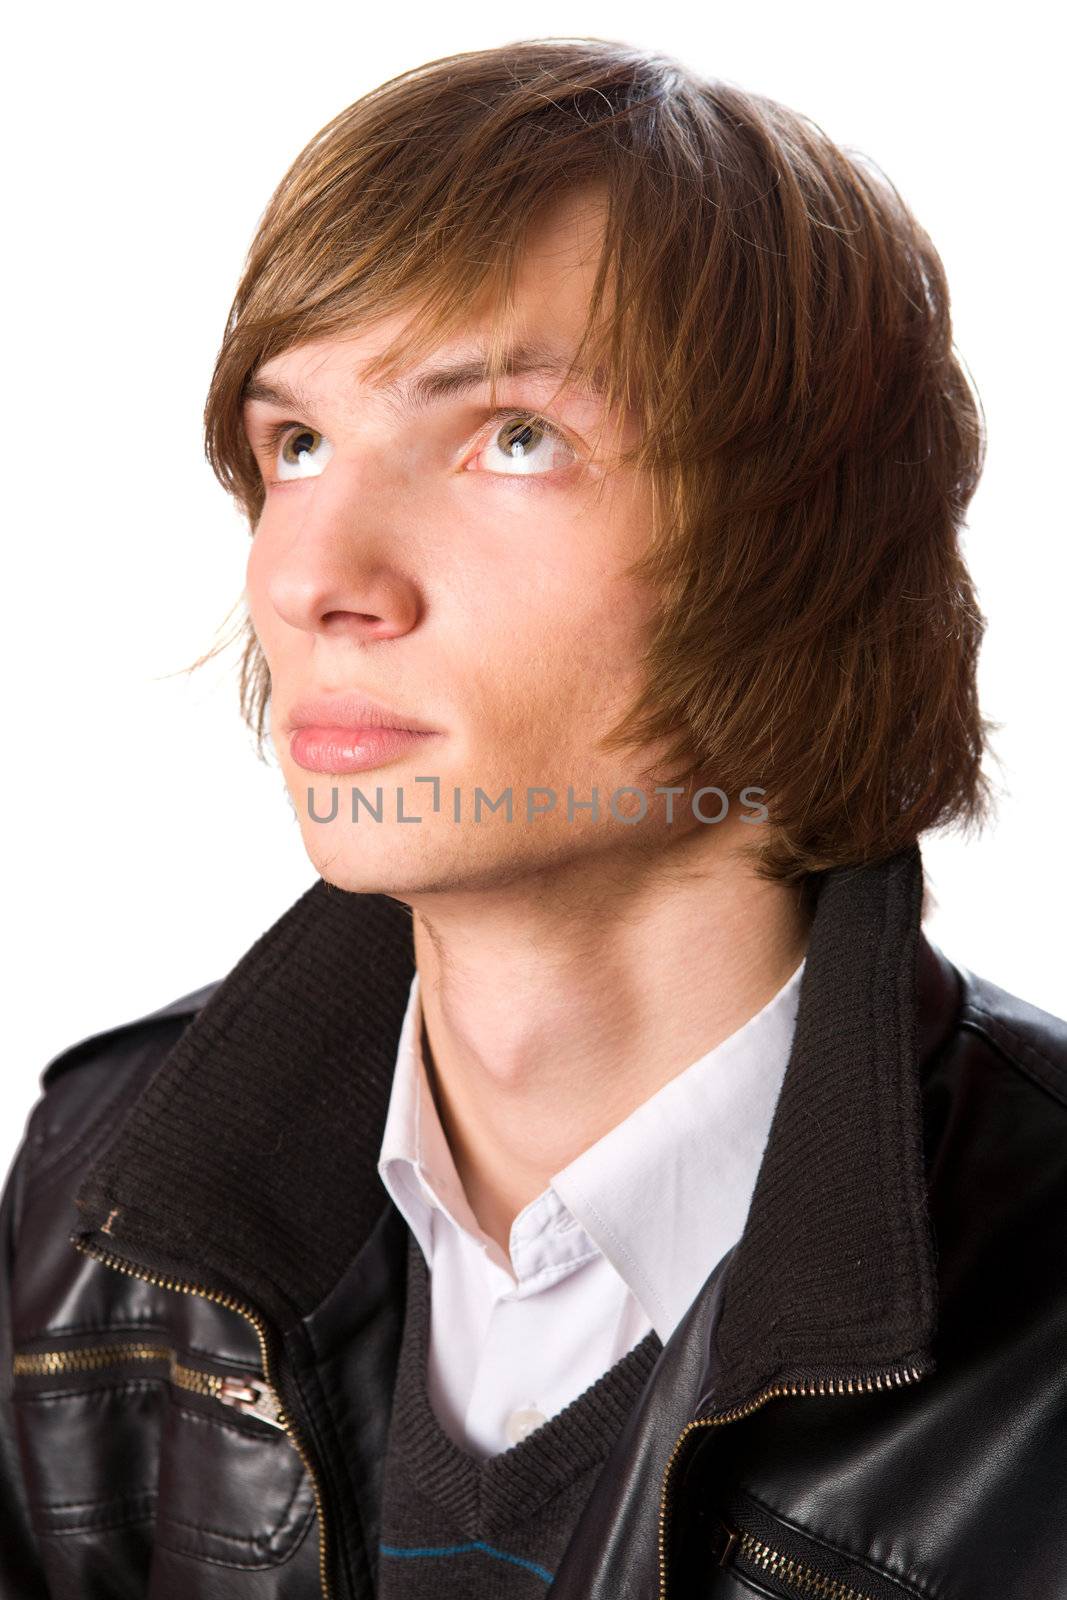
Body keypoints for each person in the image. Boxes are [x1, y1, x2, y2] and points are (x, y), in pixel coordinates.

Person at [2, 34, 1065, 1600]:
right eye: (297, 444)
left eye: (513, 437)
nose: (315, 580)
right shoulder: (107, 1197)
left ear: (807, 543)